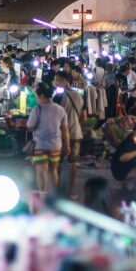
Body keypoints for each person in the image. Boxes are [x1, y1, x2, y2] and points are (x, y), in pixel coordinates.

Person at [27, 82, 69, 193]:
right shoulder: (60, 109)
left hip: (41, 144)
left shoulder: (37, 110)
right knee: (53, 171)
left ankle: (43, 195)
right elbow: (65, 130)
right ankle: (55, 196)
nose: (36, 98)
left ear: (41, 96)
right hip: (56, 145)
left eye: (36, 96)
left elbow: (30, 126)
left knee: (41, 171)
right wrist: (67, 146)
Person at [53, 71, 86, 199]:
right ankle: (70, 192)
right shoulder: (79, 95)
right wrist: (76, 125)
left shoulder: (58, 97)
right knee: (74, 164)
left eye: (58, 80)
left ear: (66, 81)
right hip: (76, 134)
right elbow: (84, 117)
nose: (56, 83)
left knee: (57, 164)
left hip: (60, 135)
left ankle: (56, 191)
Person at [110, 121, 136, 189]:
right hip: (120, 169)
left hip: (131, 166)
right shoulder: (128, 142)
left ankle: (133, 185)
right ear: (135, 132)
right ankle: (122, 182)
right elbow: (122, 158)